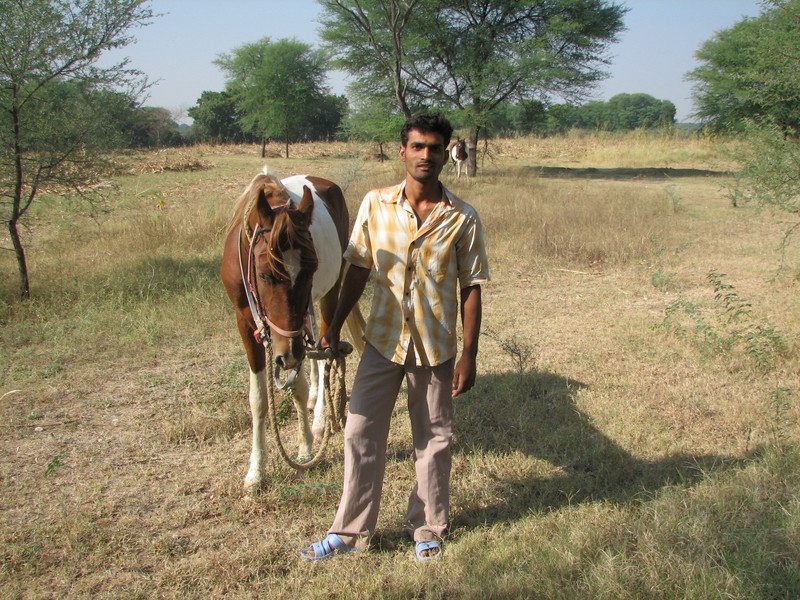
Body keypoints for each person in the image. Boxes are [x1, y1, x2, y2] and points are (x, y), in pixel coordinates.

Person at [300, 112, 490, 562]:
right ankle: (347, 531)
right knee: (360, 431)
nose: (426, 155)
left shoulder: (462, 217)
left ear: (448, 153)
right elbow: (358, 269)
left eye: (435, 147)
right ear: (402, 151)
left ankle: (427, 527)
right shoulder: (375, 203)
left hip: (436, 344)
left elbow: (471, 287)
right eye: (418, 146)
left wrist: (470, 354)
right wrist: (330, 327)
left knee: (434, 438)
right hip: (382, 341)